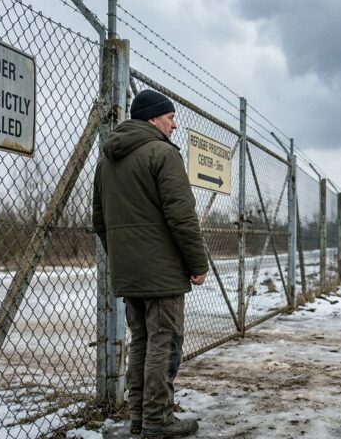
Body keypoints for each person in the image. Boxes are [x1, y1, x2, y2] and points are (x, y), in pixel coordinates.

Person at [93, 89, 208, 438]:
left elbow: (100, 221)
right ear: (153, 118)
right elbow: (182, 216)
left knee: (142, 340)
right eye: (170, 118)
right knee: (165, 340)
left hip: (129, 272)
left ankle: (140, 420)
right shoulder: (162, 153)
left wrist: (124, 258)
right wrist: (197, 263)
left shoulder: (106, 161)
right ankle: (159, 420)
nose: (174, 125)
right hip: (162, 272)